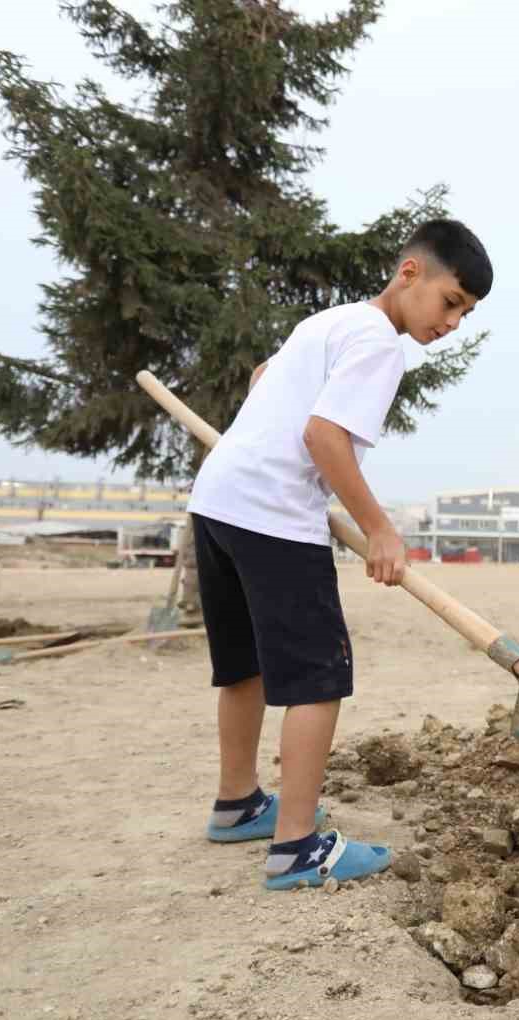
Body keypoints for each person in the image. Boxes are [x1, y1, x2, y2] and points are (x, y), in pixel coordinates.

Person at [188, 219, 492, 889]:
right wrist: (379, 529)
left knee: (243, 668)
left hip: (218, 500)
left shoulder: (330, 322)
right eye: (451, 302)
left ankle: (237, 804)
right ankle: (297, 848)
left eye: (465, 314)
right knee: (320, 676)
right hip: (272, 515)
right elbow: (325, 435)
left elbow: (267, 375)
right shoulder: (380, 345)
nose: (453, 324)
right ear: (409, 273)